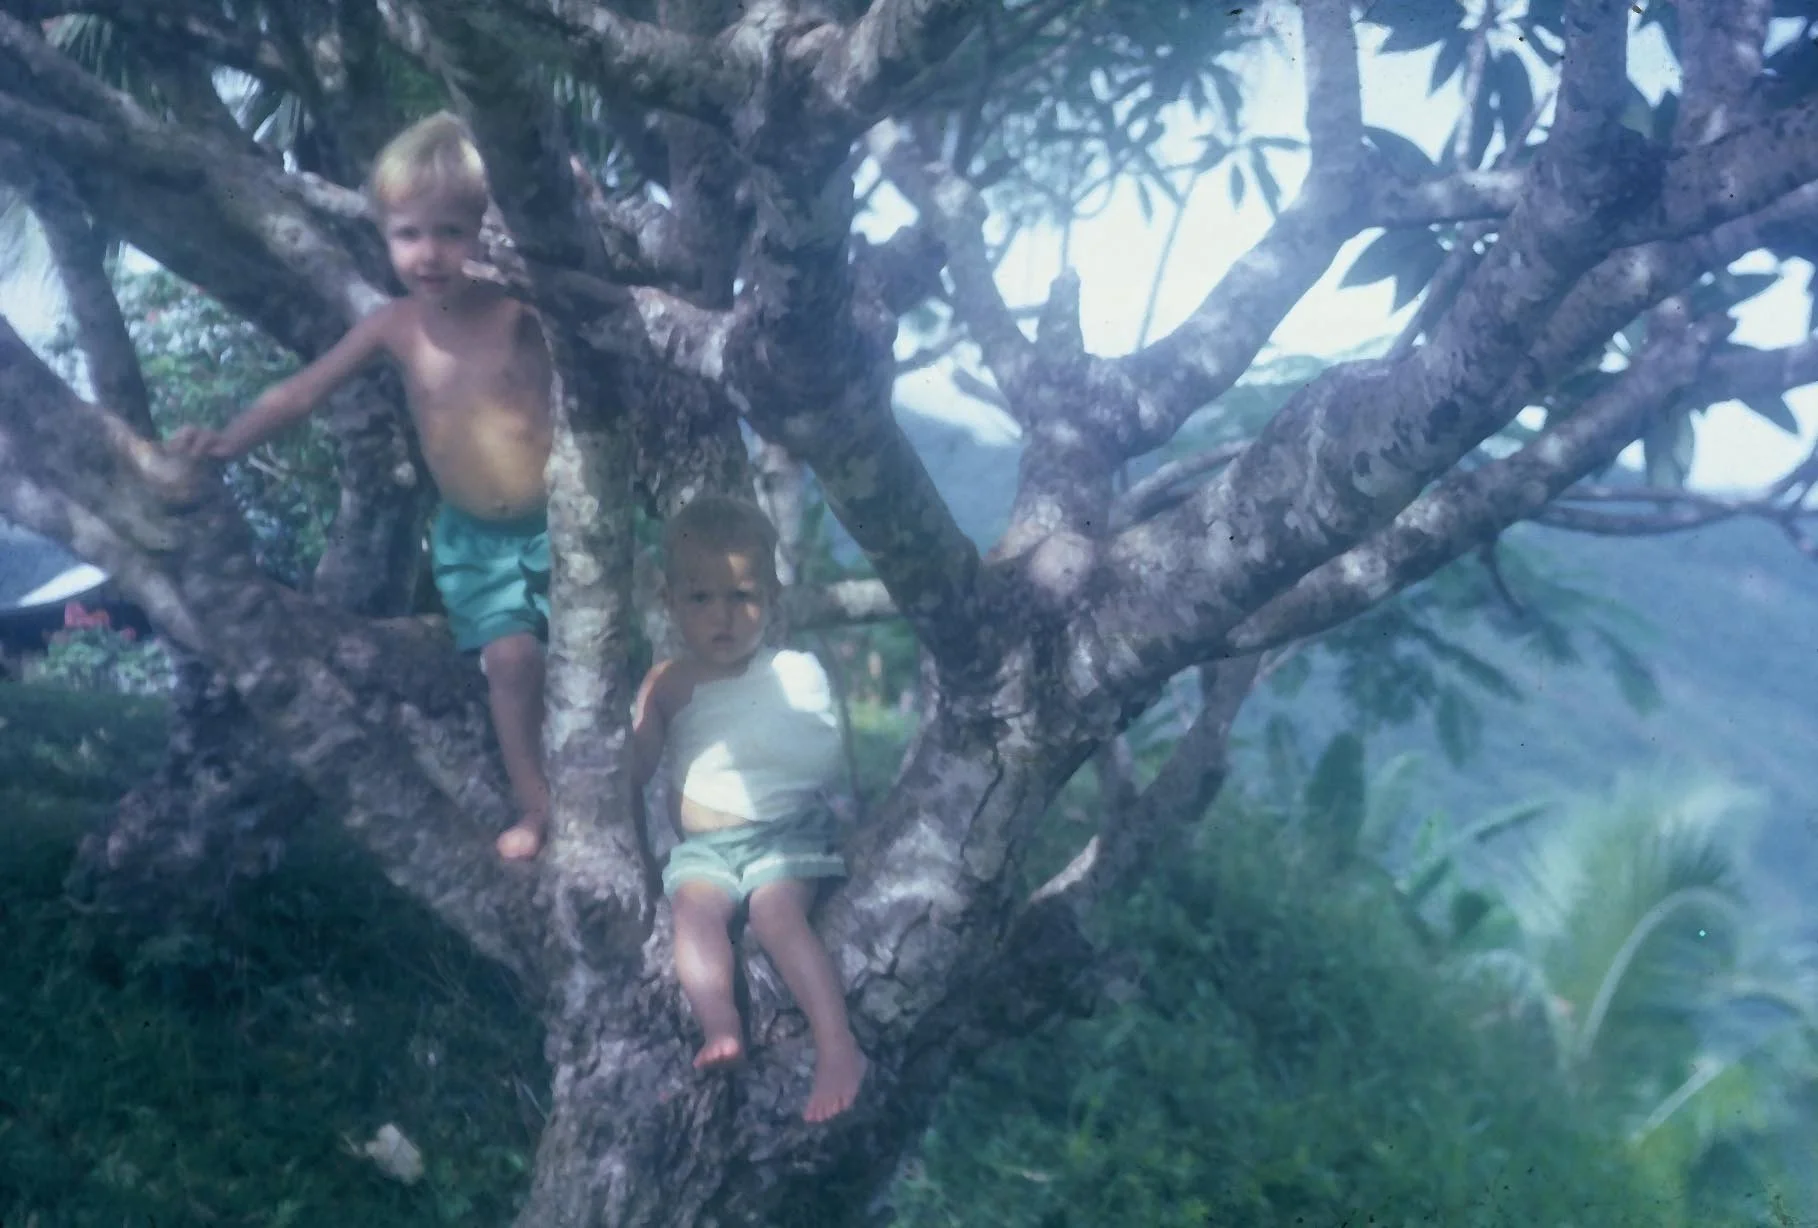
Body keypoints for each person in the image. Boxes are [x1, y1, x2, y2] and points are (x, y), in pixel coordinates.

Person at [166, 112, 555, 861]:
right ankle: (536, 809)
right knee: (510, 666)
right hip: (478, 542)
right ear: (384, 235)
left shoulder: (520, 309)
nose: (429, 253)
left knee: (593, 677)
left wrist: (571, 194)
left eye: (451, 231)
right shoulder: (395, 326)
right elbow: (301, 394)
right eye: (409, 234)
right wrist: (226, 442)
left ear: (486, 230)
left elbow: (591, 305)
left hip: (564, 527)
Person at [631, 495, 867, 1123]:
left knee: (775, 915)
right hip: (705, 851)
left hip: (783, 835)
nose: (723, 616)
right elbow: (636, 765)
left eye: (742, 597)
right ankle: (721, 1026)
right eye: (701, 598)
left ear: (772, 598)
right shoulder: (666, 683)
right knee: (692, 912)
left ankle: (837, 1047)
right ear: (670, 602)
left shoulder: (788, 674)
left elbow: (816, 754)